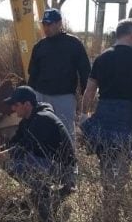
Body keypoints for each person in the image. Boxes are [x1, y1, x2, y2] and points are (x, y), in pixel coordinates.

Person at [0, 86, 76, 222]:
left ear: (27, 104)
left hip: (64, 170)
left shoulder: (42, 119)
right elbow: (12, 143)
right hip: (48, 162)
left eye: (16, 105)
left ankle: (46, 195)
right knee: (9, 161)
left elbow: (22, 149)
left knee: (14, 164)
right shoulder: (28, 119)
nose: (13, 109)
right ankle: (42, 191)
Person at [80, 20, 132, 183]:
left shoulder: (101, 58)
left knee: (105, 157)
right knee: (123, 158)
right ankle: (118, 197)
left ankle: (108, 197)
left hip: (103, 111)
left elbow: (89, 90)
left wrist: (84, 114)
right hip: (127, 113)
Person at [28, 8, 91, 139]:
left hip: (64, 98)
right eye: (44, 24)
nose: (46, 27)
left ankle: (68, 159)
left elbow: (85, 72)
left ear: (59, 23)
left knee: (66, 134)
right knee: (41, 133)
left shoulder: (74, 44)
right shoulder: (39, 46)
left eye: (49, 24)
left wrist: (86, 99)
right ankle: (44, 159)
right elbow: (33, 75)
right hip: (41, 96)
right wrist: (31, 98)